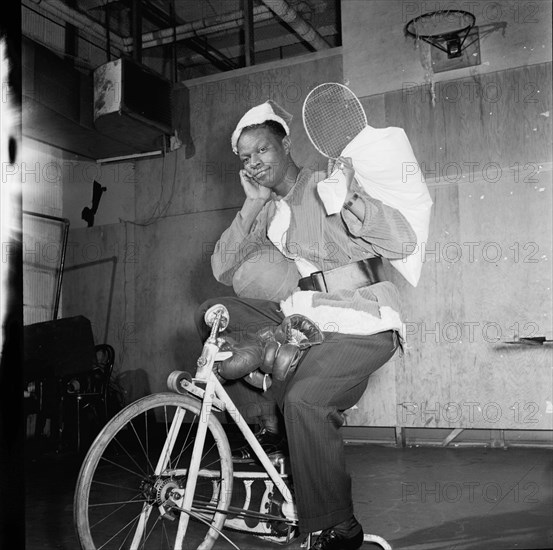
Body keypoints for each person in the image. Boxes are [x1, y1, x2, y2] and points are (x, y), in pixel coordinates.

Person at [195, 100, 417, 550]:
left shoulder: (324, 187)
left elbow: (403, 241)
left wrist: (351, 198)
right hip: (309, 322)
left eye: (262, 150)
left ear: (285, 143)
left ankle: (340, 526)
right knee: (215, 311)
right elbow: (222, 266)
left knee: (304, 401)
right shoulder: (268, 214)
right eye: (245, 158)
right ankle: (266, 422)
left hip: (365, 322)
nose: (254, 163)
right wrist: (251, 205)